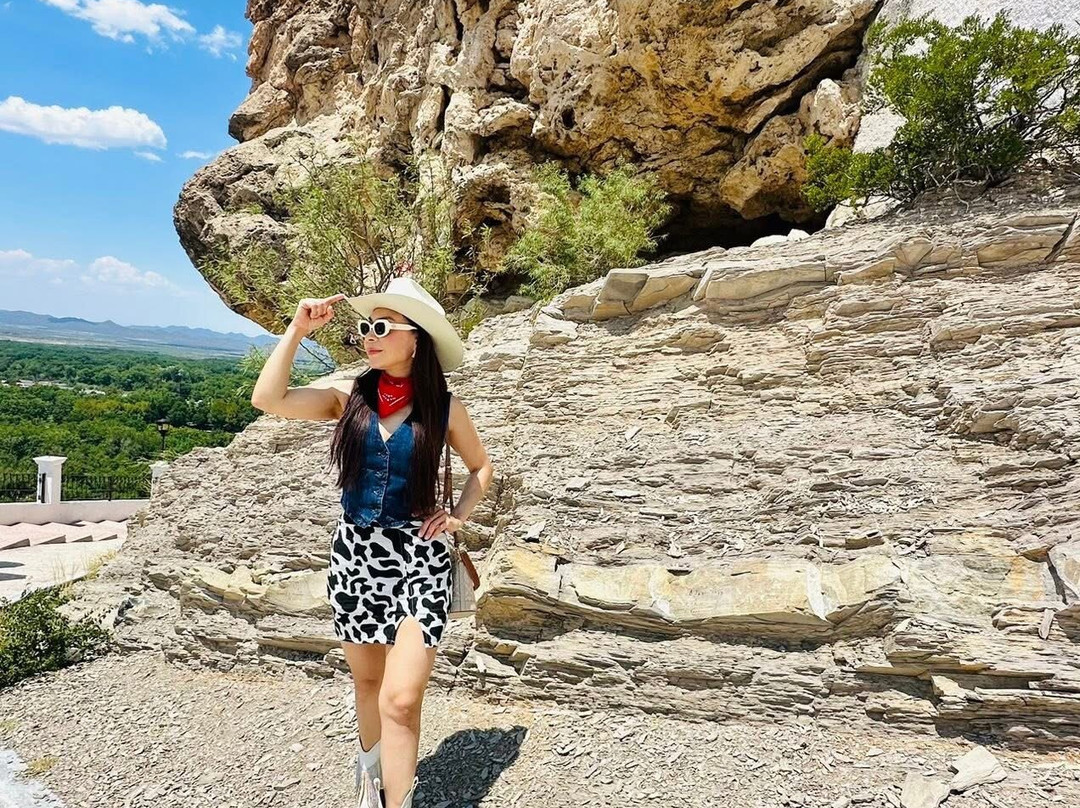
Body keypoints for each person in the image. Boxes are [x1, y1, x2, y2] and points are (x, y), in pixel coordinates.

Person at [250, 277, 494, 808]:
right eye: (365, 327)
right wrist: (296, 328)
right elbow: (268, 398)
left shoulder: (446, 408)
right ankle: (373, 781)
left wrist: (455, 515)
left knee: (401, 699)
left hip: (419, 560)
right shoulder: (349, 398)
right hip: (355, 557)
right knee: (367, 684)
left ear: (416, 338)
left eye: (381, 327)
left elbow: (481, 468)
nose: (368, 337)